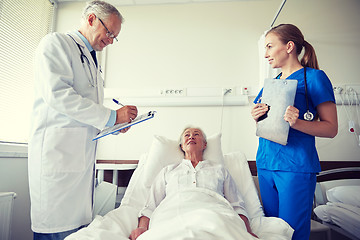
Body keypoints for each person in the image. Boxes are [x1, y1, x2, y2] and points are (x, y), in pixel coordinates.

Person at [28, 1, 138, 239]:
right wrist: (110, 116)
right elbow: (58, 96)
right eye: (109, 32)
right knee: (57, 231)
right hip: (57, 162)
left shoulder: (92, 60)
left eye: (114, 37)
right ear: (90, 19)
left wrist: (114, 124)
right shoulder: (55, 44)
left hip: (80, 167)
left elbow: (85, 114)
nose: (110, 41)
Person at [251, 24, 338, 240]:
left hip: (295, 167)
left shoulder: (315, 78)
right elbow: (266, 126)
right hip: (266, 164)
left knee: (293, 234)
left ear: (289, 46)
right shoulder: (271, 84)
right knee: (272, 233)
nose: (266, 54)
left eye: (270, 46)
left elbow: (331, 128)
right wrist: (256, 117)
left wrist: (297, 122)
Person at [130, 127, 258, 240]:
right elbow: (150, 206)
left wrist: (247, 232)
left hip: (214, 214)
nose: (191, 136)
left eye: (196, 134)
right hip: (173, 213)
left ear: (204, 144)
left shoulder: (220, 170)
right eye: (187, 135)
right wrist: (142, 228)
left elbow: (237, 205)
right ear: (181, 146)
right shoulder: (168, 171)